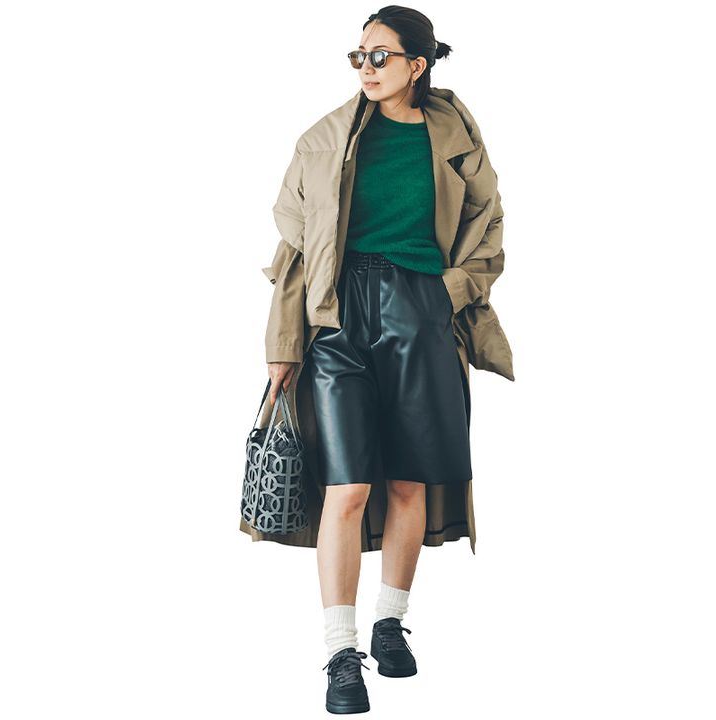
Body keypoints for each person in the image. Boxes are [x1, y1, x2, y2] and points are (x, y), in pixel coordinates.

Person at [264, 6, 507, 714]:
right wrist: (282, 346)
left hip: (420, 312)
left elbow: (488, 226)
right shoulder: (324, 139)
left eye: (380, 55)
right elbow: (294, 253)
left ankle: (390, 624)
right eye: (359, 55)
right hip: (337, 320)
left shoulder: (455, 137)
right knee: (345, 488)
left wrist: (443, 295)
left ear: (417, 65)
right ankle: (341, 652)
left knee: (408, 481)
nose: (365, 68)